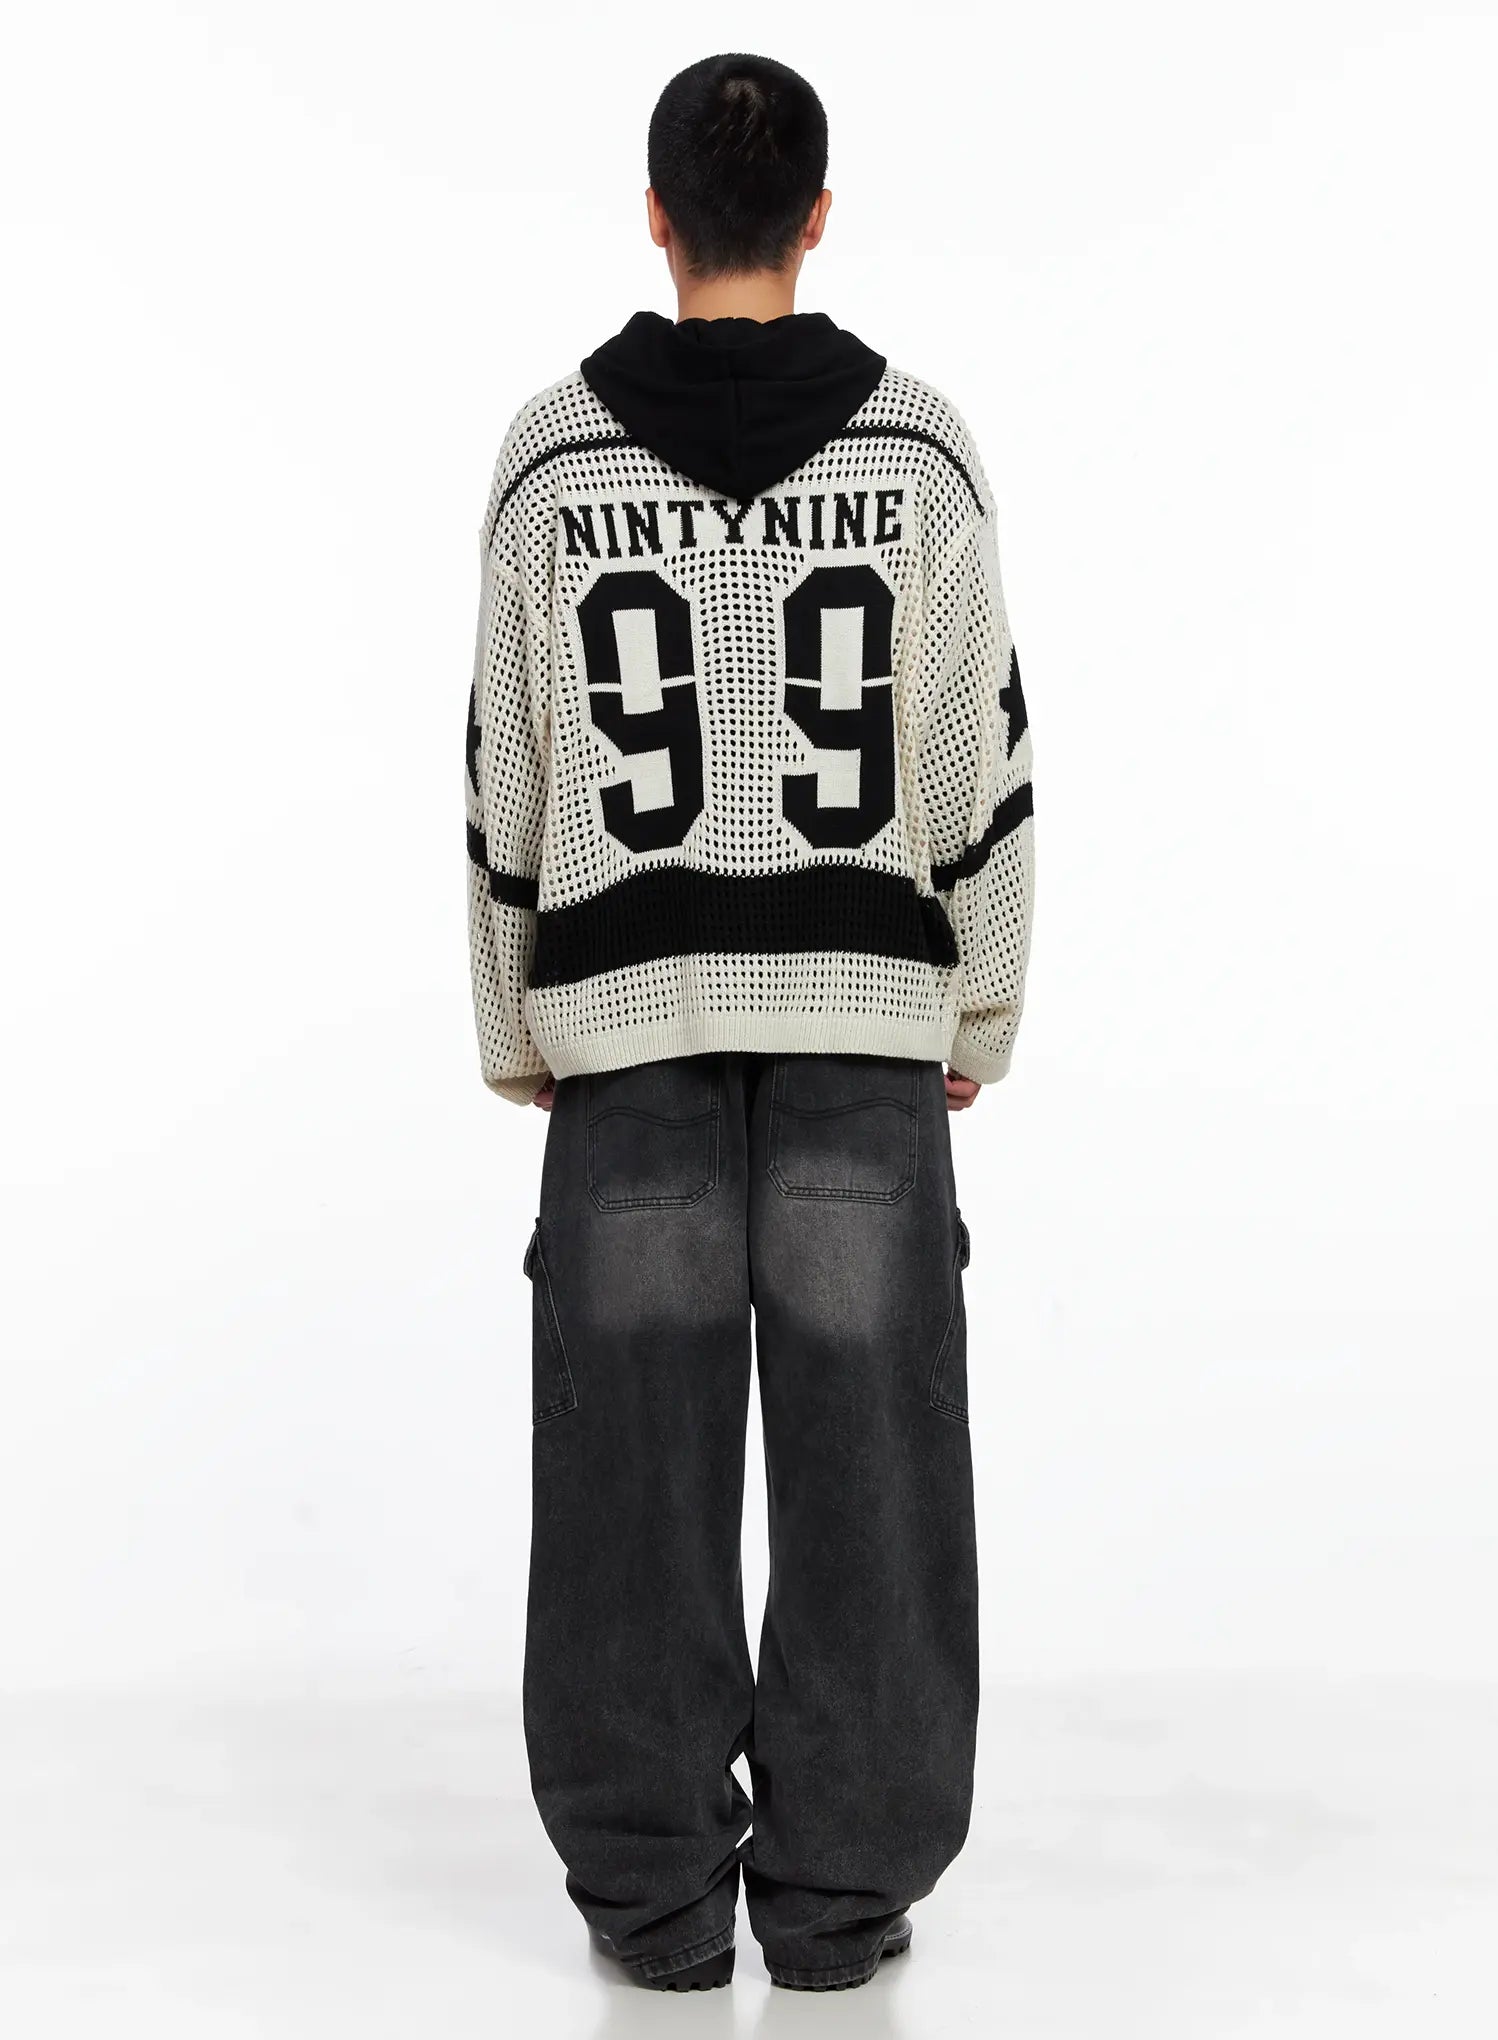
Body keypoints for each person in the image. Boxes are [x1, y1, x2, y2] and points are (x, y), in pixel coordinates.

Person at [465, 50, 1035, 1994]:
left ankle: (649, 1910)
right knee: (878, 1475)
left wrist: (519, 1025)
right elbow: (979, 753)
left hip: (622, 1034)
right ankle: (842, 1901)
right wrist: (980, 1003)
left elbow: (507, 770)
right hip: (868, 1031)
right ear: (817, 216)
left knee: (627, 1483)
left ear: (653, 216)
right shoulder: (922, 454)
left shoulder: (552, 460)